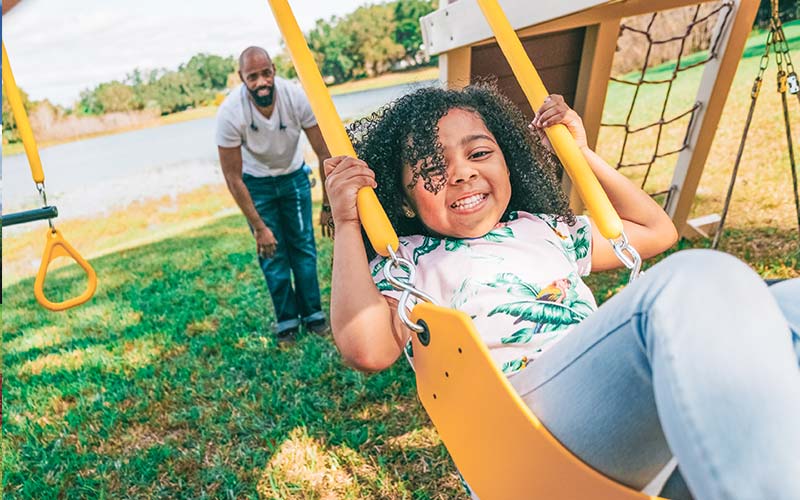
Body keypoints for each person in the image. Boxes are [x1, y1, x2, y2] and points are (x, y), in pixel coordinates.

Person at [323, 83, 800, 499]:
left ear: (508, 160)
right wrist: (348, 221)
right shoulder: (407, 262)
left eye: (480, 153)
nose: (462, 173)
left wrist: (581, 155)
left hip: (605, 413)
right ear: (402, 198)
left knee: (786, 303)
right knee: (692, 282)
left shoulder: (544, 229)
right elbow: (367, 347)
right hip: (518, 433)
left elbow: (655, 230)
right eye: (431, 166)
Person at [216, 46, 332, 346]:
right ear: (242, 78)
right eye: (252, 76)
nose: (261, 82)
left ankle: (314, 316)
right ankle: (287, 323)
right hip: (257, 185)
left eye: (265, 73)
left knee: (303, 247)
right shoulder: (230, 113)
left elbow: (323, 152)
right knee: (271, 252)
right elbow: (232, 177)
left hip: (294, 177)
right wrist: (258, 226)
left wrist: (328, 204)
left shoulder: (295, 97)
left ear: (274, 71)